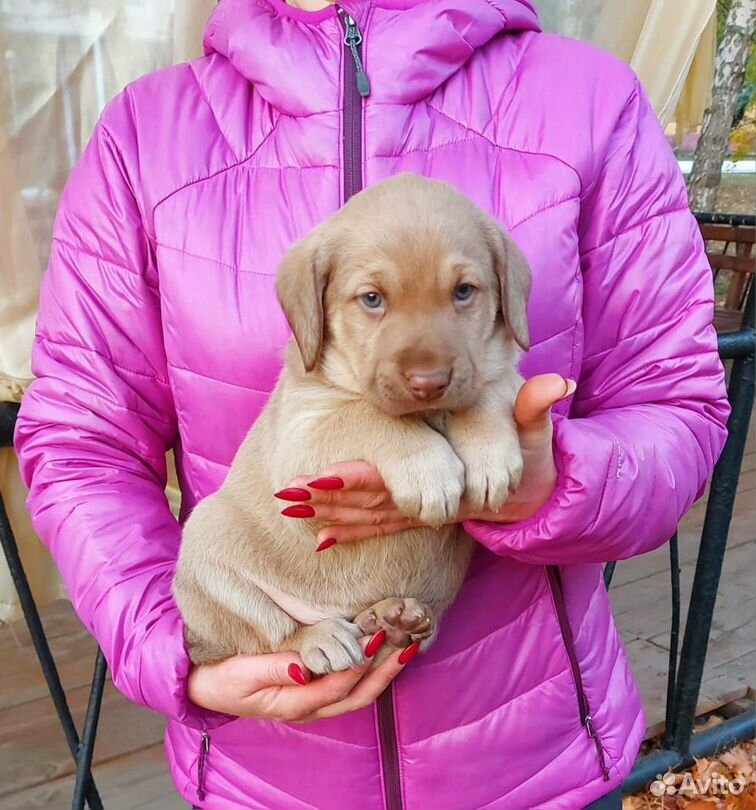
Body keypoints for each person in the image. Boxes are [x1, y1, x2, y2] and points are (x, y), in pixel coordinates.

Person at [14, 0, 729, 808]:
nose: (424, 366)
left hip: (531, 762)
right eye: (373, 302)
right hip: (265, 768)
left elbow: (679, 407)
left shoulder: (590, 100)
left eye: (465, 293)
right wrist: (178, 646)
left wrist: (556, 481)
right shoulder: (144, 138)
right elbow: (82, 443)